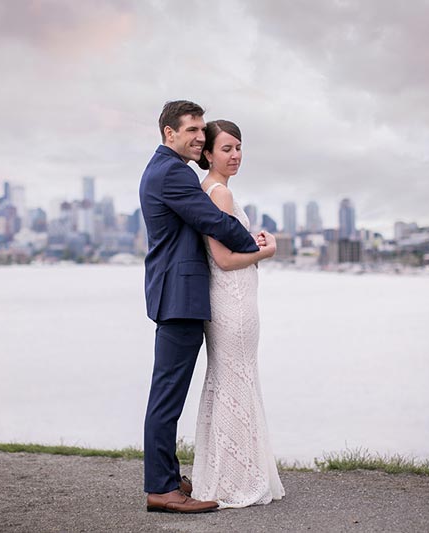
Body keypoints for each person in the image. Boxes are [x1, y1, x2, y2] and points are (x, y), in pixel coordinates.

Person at [139, 101, 274, 513]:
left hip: (180, 294)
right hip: (180, 298)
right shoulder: (173, 173)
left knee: (170, 392)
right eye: (192, 130)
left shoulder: (167, 170)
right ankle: (161, 489)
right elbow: (213, 221)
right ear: (169, 133)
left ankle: (167, 476)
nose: (199, 136)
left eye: (202, 129)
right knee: (167, 394)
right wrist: (257, 244)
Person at [191, 119, 285, 508]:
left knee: (230, 381)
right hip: (233, 302)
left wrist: (252, 241)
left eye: (239, 148)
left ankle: (228, 474)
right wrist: (267, 250)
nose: (235, 156)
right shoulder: (219, 194)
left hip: (231, 299)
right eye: (226, 149)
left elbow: (231, 247)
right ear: (208, 154)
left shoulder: (213, 191)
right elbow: (224, 259)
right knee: (237, 381)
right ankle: (236, 480)